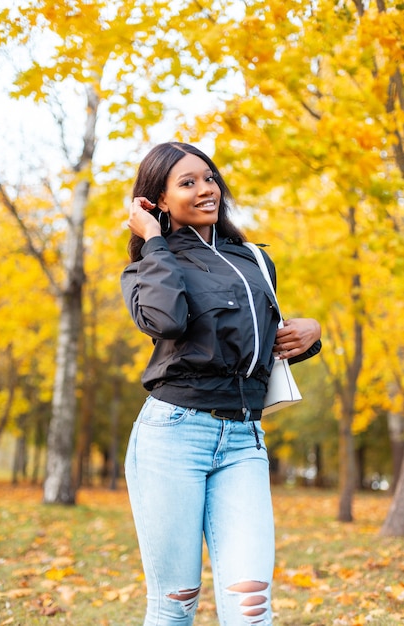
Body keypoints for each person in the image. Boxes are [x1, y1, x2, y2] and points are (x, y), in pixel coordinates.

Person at [121, 141, 321, 626]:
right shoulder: (147, 268)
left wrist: (309, 335)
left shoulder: (252, 258)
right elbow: (167, 322)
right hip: (172, 437)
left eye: (208, 178)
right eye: (187, 183)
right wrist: (154, 240)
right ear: (159, 200)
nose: (206, 189)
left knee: (251, 605)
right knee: (175, 604)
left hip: (244, 440)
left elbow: (259, 341)